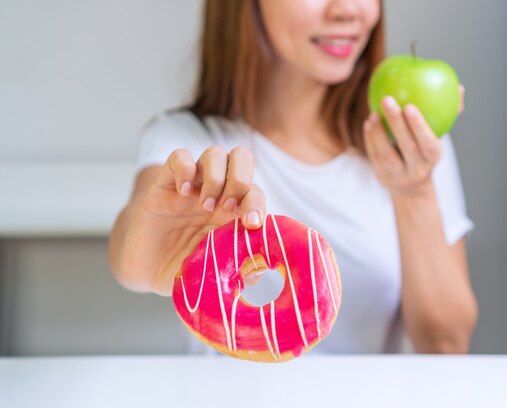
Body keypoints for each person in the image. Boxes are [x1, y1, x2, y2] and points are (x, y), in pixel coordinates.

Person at [109, 0, 478, 355]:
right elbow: (133, 252)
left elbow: (446, 345)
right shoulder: (190, 140)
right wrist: (141, 261)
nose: (348, 8)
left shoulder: (411, 141)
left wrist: (413, 192)